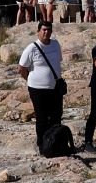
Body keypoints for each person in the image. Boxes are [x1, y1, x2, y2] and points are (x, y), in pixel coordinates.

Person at [17, 20, 66, 153]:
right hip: (37, 89)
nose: (46, 32)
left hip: (55, 87)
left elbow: (58, 62)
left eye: (49, 30)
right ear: (38, 31)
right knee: (42, 118)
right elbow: (21, 68)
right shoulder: (32, 48)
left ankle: (55, 143)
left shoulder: (55, 44)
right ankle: (42, 145)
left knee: (56, 116)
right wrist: (31, 80)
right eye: (44, 30)